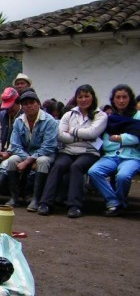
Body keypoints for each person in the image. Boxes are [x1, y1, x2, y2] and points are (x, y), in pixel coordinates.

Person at [37, 85, 107, 218]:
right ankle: (45, 203)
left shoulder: (100, 115)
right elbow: (60, 135)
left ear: (93, 97)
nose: (83, 99)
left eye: (87, 96)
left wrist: (73, 132)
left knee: (76, 167)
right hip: (68, 151)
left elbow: (93, 132)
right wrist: (84, 136)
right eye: (80, 96)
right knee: (58, 166)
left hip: (89, 152)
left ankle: (74, 206)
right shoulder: (69, 114)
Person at [88, 84, 140, 217]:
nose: (121, 100)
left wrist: (119, 138)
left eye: (124, 97)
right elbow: (107, 143)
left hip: (132, 156)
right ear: (113, 99)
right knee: (94, 172)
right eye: (118, 97)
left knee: (123, 176)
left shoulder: (137, 116)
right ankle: (114, 202)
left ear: (130, 98)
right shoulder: (110, 118)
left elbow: (137, 139)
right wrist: (127, 140)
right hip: (111, 156)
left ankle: (120, 202)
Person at [4, 91, 58, 208]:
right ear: (22, 107)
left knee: (42, 161)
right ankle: (14, 197)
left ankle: (36, 198)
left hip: (46, 154)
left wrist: (29, 161)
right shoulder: (19, 121)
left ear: (38, 103)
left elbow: (48, 146)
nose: (29, 106)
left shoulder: (49, 121)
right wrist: (27, 158)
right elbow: (15, 144)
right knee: (12, 160)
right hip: (26, 154)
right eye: (25, 104)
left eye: (32, 102)